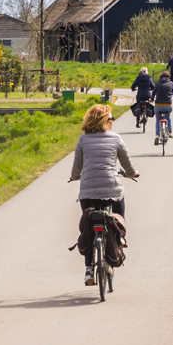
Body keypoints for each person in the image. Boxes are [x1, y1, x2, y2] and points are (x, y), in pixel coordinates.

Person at [69, 104, 138, 286]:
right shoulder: (116, 138)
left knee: (89, 226)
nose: (113, 121)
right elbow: (127, 165)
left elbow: (76, 168)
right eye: (111, 118)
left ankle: (88, 270)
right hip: (111, 189)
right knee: (118, 213)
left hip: (88, 191)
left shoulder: (83, 140)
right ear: (106, 121)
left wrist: (74, 177)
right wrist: (132, 173)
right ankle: (120, 236)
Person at [152, 71, 173, 144]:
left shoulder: (157, 83)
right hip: (168, 105)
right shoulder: (171, 84)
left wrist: (152, 99)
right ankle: (170, 132)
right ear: (169, 77)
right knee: (168, 116)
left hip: (158, 105)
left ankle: (157, 135)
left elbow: (153, 92)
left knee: (158, 120)